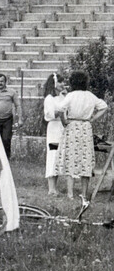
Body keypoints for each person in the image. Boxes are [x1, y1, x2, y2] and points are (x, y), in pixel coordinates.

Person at [56, 70, 108, 200]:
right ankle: (84, 194)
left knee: (71, 158)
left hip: (72, 126)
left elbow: (59, 109)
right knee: (85, 158)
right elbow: (104, 106)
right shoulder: (90, 96)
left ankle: (70, 194)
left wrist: (64, 122)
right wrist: (93, 119)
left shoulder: (71, 95)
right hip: (85, 127)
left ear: (72, 82)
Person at [42, 73, 67, 196]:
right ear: (55, 83)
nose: (63, 84)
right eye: (61, 82)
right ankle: (51, 188)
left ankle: (55, 187)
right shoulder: (49, 98)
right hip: (54, 129)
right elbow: (49, 115)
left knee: (59, 157)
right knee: (53, 154)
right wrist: (60, 112)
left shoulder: (62, 97)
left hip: (62, 129)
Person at [0, 73, 22, 158]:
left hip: (7, 119)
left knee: (6, 139)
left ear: (5, 82)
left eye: (2, 81)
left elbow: (18, 105)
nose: (0, 83)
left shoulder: (12, 92)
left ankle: (6, 158)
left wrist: (20, 119)